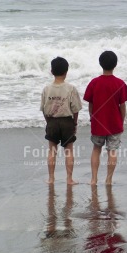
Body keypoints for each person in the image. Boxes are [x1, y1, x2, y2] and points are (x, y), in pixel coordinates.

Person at [83, 51, 127, 185]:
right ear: (115, 65)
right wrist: (121, 121)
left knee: (96, 149)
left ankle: (93, 179)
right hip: (114, 124)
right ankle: (109, 179)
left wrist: (92, 117)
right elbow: (122, 106)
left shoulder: (94, 83)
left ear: (100, 64)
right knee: (112, 151)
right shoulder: (120, 83)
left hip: (98, 123)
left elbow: (90, 104)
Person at [40, 57, 82, 185]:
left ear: (51, 71)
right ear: (66, 71)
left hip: (52, 121)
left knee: (52, 151)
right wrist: (75, 123)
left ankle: (51, 178)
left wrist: (48, 122)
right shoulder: (71, 88)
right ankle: (69, 179)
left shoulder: (46, 89)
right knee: (68, 151)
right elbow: (75, 109)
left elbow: (44, 109)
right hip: (67, 122)